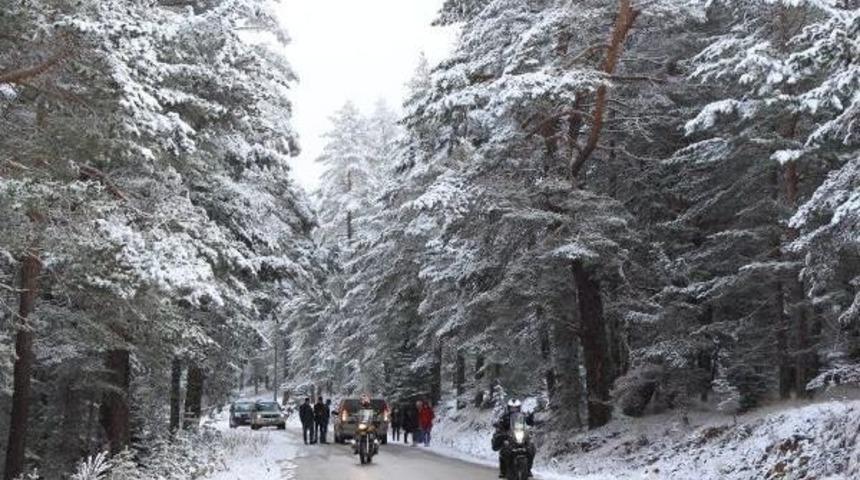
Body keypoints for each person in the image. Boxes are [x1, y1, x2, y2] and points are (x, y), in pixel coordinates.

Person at [492, 399, 535, 479]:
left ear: (519, 408)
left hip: (520, 434)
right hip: (508, 436)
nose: (514, 410)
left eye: (516, 408)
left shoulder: (523, 415)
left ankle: (528, 469)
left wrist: (531, 418)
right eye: (512, 408)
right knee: (504, 449)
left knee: (531, 447)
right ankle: (503, 471)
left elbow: (529, 422)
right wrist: (499, 429)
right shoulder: (504, 417)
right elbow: (499, 425)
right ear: (508, 408)